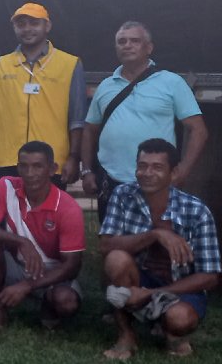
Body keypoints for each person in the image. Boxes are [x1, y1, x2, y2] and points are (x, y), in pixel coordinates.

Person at [100, 139, 220, 359]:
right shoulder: (123, 195)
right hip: (137, 279)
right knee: (116, 259)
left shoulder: (196, 211)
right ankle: (126, 336)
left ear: (173, 173)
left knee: (180, 319)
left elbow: (211, 276)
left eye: (157, 167)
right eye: (142, 165)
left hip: (179, 288)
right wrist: (154, 235)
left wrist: (152, 294)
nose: (147, 173)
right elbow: (106, 245)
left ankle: (170, 332)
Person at [82, 21, 206, 220]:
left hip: (156, 181)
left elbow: (198, 130)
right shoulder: (105, 86)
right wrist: (87, 170)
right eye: (122, 41)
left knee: (156, 244)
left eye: (135, 41)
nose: (127, 45)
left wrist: (182, 172)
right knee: (112, 245)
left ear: (149, 48)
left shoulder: (171, 82)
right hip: (110, 181)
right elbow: (89, 130)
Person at [0, 141, 84, 335]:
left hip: (54, 273)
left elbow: (72, 266)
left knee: (67, 302)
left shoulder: (68, 207)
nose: (30, 173)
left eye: (37, 166)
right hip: (16, 264)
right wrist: (21, 242)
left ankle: (47, 306)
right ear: (18, 168)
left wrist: (27, 285)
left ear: (52, 169)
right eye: (24, 166)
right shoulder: (6, 186)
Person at [0, 2, 86, 186]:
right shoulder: (1, 65)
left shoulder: (69, 64)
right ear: (14, 28)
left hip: (51, 162)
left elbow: (76, 120)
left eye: (34, 23)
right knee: (10, 214)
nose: (27, 29)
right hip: (7, 159)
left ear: (47, 26)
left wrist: (73, 158)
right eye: (21, 24)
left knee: (48, 215)